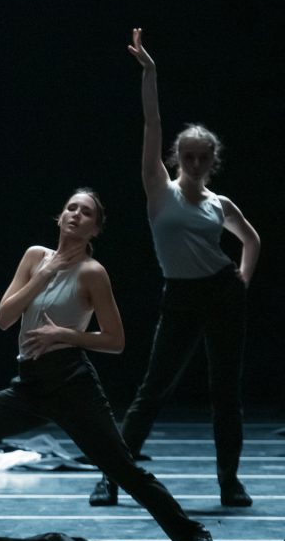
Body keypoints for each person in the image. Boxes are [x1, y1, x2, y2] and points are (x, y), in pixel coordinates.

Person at [0, 189, 216, 541]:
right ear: (60, 217)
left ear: (95, 229)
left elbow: (115, 340)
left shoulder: (92, 273)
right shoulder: (35, 257)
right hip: (30, 385)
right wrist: (44, 274)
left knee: (122, 468)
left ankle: (191, 531)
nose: (76, 214)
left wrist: (65, 334)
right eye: (71, 208)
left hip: (71, 383)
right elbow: (4, 318)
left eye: (86, 212)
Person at [90, 29, 261, 509]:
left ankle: (230, 482)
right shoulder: (159, 190)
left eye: (204, 157)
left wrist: (242, 280)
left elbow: (251, 239)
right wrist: (150, 71)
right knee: (152, 391)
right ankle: (111, 479)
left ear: (212, 161)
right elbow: (152, 122)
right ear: (177, 158)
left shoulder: (218, 203)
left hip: (222, 294)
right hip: (181, 296)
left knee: (226, 394)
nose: (196, 162)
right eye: (189, 156)